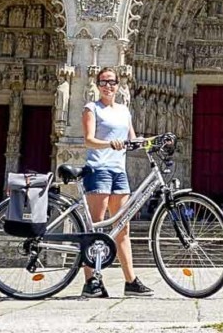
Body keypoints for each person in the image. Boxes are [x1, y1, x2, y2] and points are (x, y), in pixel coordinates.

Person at [81, 66, 152, 298]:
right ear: (97, 84)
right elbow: (89, 140)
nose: (108, 86)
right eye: (103, 82)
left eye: (112, 82)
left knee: (122, 227)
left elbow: (132, 140)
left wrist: (153, 142)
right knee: (96, 226)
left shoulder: (124, 110)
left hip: (119, 171)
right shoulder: (91, 108)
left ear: (119, 85)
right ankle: (91, 281)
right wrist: (109, 144)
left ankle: (130, 281)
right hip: (99, 168)